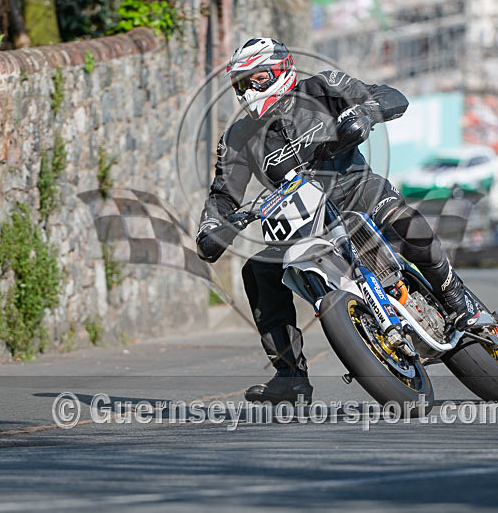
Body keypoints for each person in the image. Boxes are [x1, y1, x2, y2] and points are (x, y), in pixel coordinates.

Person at [195, 39, 479, 404]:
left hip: (356, 188)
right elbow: (222, 195)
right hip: (300, 219)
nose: (249, 90)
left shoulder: (322, 87)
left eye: (257, 78)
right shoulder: (237, 138)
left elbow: (389, 95)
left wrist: (366, 112)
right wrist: (211, 227)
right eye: (241, 85)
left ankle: (456, 297)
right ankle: (290, 376)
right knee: (258, 271)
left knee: (400, 220)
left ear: (282, 71)